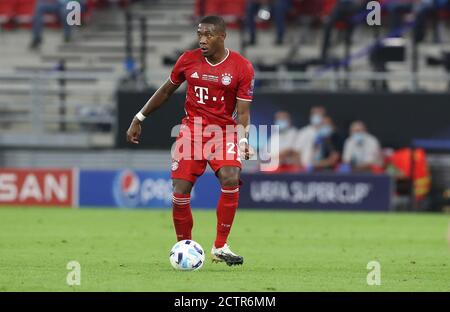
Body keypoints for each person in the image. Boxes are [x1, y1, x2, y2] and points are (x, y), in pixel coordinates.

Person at [126, 16, 254, 266]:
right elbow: (165, 91)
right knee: (180, 191)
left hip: (224, 132)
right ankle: (183, 245)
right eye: (199, 34)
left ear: (222, 36)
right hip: (191, 133)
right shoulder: (188, 59)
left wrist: (243, 140)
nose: (202, 39)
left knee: (230, 176)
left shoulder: (242, 67)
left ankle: (220, 246)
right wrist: (138, 117)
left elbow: (244, 111)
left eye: (208, 35)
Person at [294, 106, 327, 170]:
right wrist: (300, 168)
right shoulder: (304, 132)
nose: (317, 116)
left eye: (319, 114)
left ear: (323, 116)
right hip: (305, 168)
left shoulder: (326, 132)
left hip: (323, 168)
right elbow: (296, 152)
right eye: (314, 114)